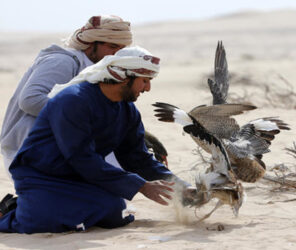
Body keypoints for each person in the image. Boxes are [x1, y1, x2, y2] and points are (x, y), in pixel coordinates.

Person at [0, 46, 186, 234]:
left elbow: (137, 158)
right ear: (122, 77)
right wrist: (141, 186)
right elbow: (81, 157)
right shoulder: (73, 101)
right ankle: (9, 213)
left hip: (80, 176)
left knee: (115, 212)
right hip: (42, 175)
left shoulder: (128, 111)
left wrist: (181, 187)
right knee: (44, 222)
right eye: (144, 81)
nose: (147, 88)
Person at [0, 15, 132, 178]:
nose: (116, 54)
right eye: (112, 46)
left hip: (64, 149)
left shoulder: (94, 70)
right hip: (29, 153)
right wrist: (81, 119)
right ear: (91, 44)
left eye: (121, 49)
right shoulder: (62, 61)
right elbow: (31, 100)